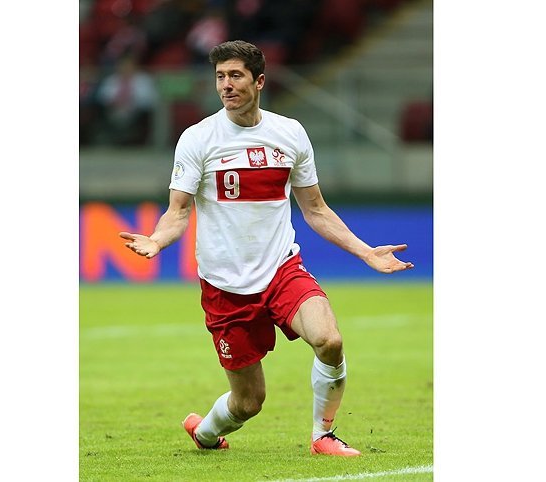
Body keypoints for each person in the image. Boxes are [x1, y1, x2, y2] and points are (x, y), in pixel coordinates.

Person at [119, 40, 414, 456]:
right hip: (225, 285)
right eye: (220, 76)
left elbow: (316, 209)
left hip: (281, 269)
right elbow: (178, 212)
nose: (226, 85)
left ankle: (323, 435)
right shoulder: (198, 138)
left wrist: (365, 252)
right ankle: (205, 432)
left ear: (259, 81)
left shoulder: (289, 134)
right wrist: (156, 239)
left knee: (329, 340)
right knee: (248, 403)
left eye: (235, 75)